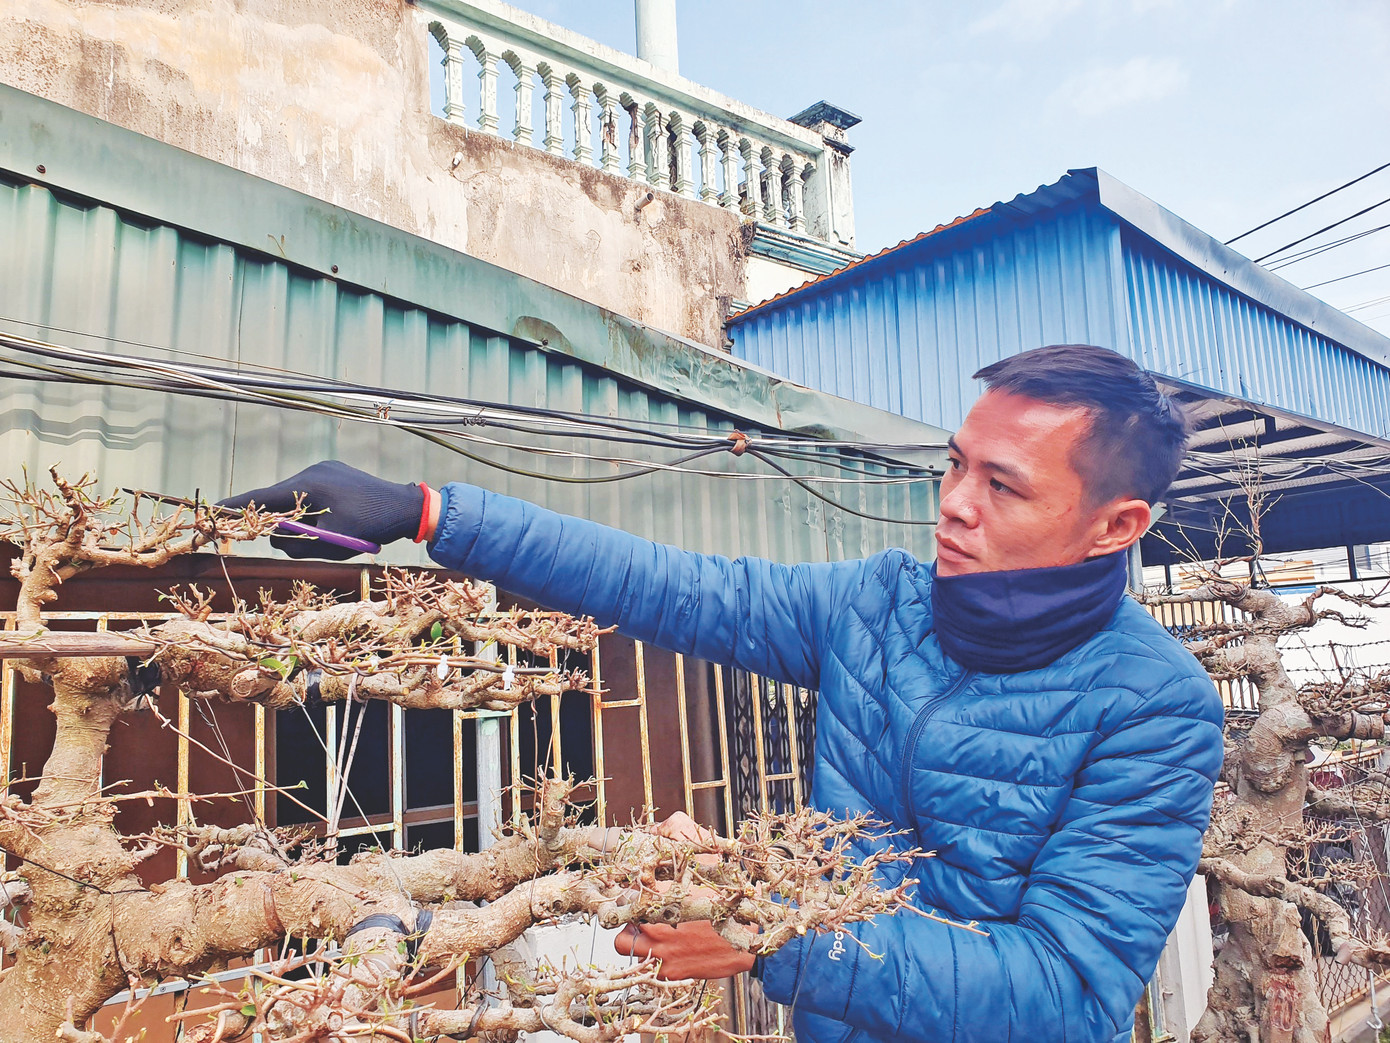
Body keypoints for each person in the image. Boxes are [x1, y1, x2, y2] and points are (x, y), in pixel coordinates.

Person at [223, 344, 1224, 1043]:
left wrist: (768, 927)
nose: (954, 504)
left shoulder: (1153, 704)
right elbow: (670, 585)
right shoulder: (880, 604)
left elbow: (1067, 992)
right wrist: (431, 510)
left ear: (1113, 523)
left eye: (1002, 487)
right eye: (954, 465)